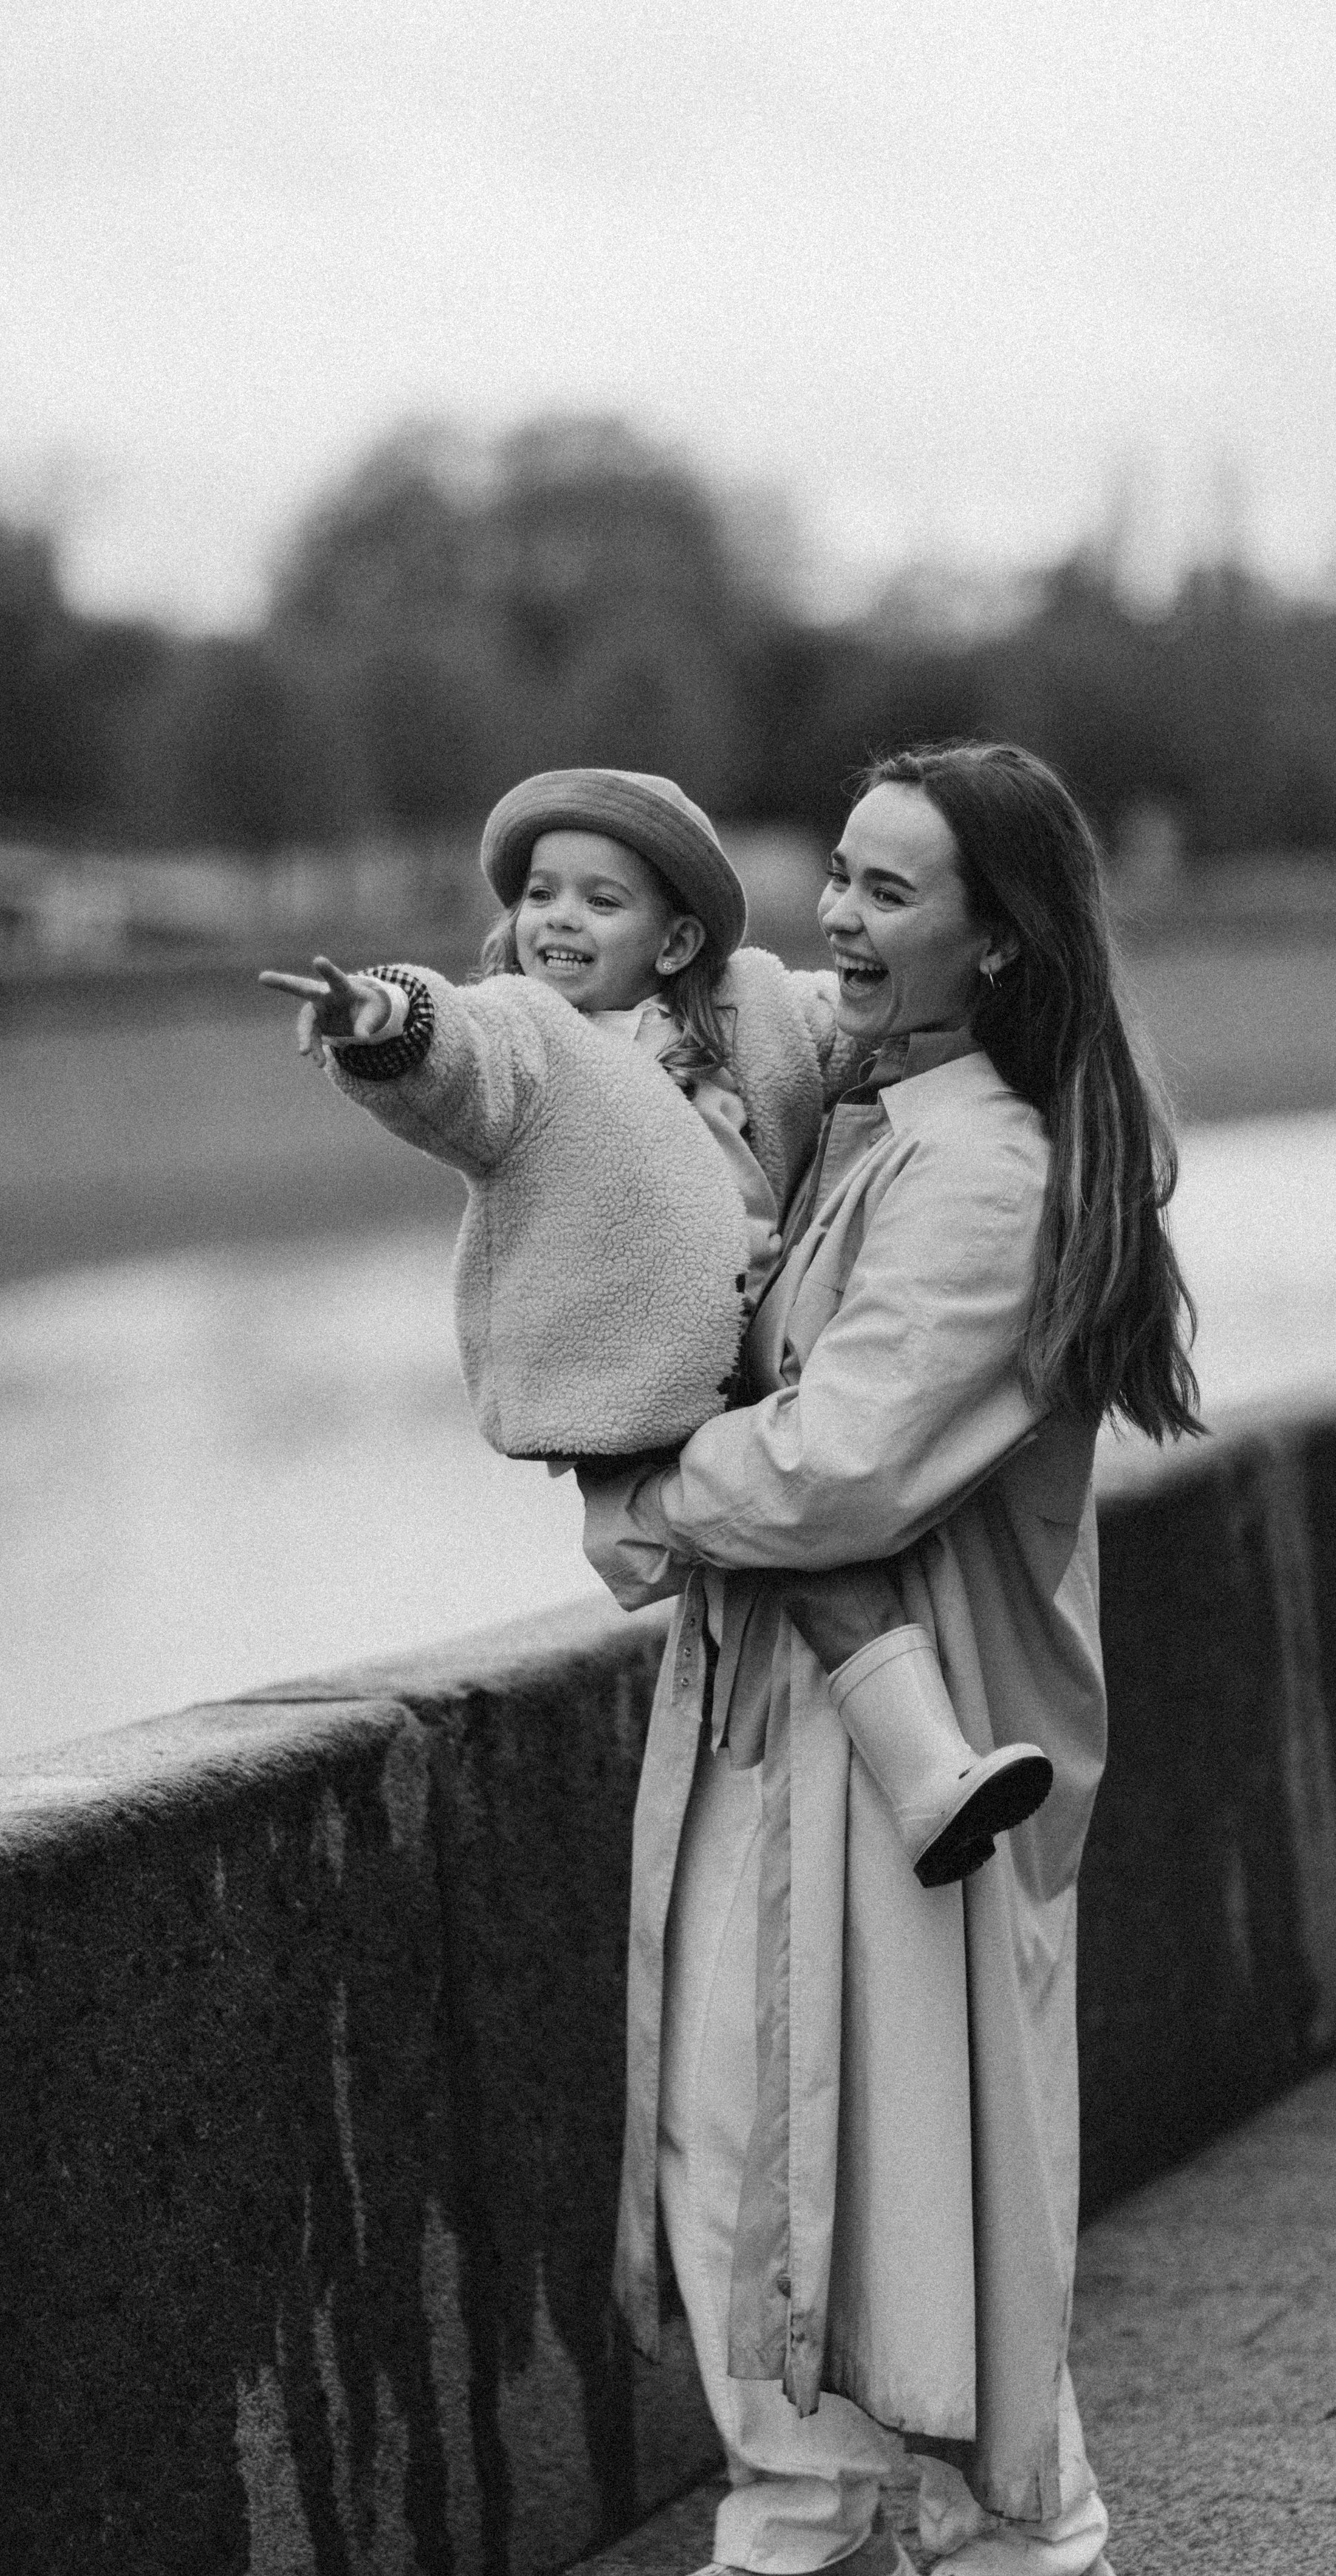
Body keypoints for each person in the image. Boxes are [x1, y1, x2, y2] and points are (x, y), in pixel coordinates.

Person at [578, 740, 1202, 2576]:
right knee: (751, 2140)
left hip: (934, 1754)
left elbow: (838, 1471)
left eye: (888, 892)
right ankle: (820, 2519)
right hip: (793, 1722)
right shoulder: (880, 1120)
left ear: (998, 943)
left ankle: (1037, 2553)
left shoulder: (987, 1168)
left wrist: (634, 1483)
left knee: (933, 2161)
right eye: (836, 877)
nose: (836, 918)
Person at [258, 765, 1053, 1887]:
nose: (558, 922)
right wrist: (384, 1017)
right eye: (540, 894)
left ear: (679, 942)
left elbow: (854, 1032)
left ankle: (929, 1783)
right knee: (805, 1548)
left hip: (735, 1369)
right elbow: (456, 1065)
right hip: (630, 1383)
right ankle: (929, 1775)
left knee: (805, 1549)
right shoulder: (532, 1036)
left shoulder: (754, 1011)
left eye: (600, 899)